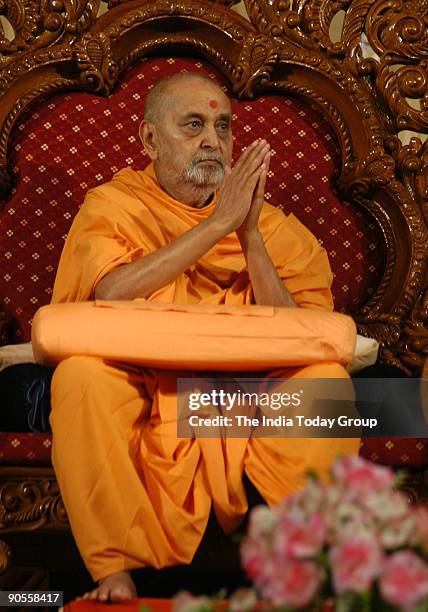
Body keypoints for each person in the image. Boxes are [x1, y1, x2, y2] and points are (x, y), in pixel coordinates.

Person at [49, 72, 360, 602]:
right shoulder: (113, 205)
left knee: (325, 383)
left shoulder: (273, 226)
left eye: (223, 126)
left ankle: (304, 569)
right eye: (193, 125)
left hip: (247, 390)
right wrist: (215, 226)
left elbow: (305, 332)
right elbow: (109, 292)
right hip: (144, 382)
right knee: (81, 376)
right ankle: (114, 571)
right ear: (150, 140)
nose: (213, 141)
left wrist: (249, 234)